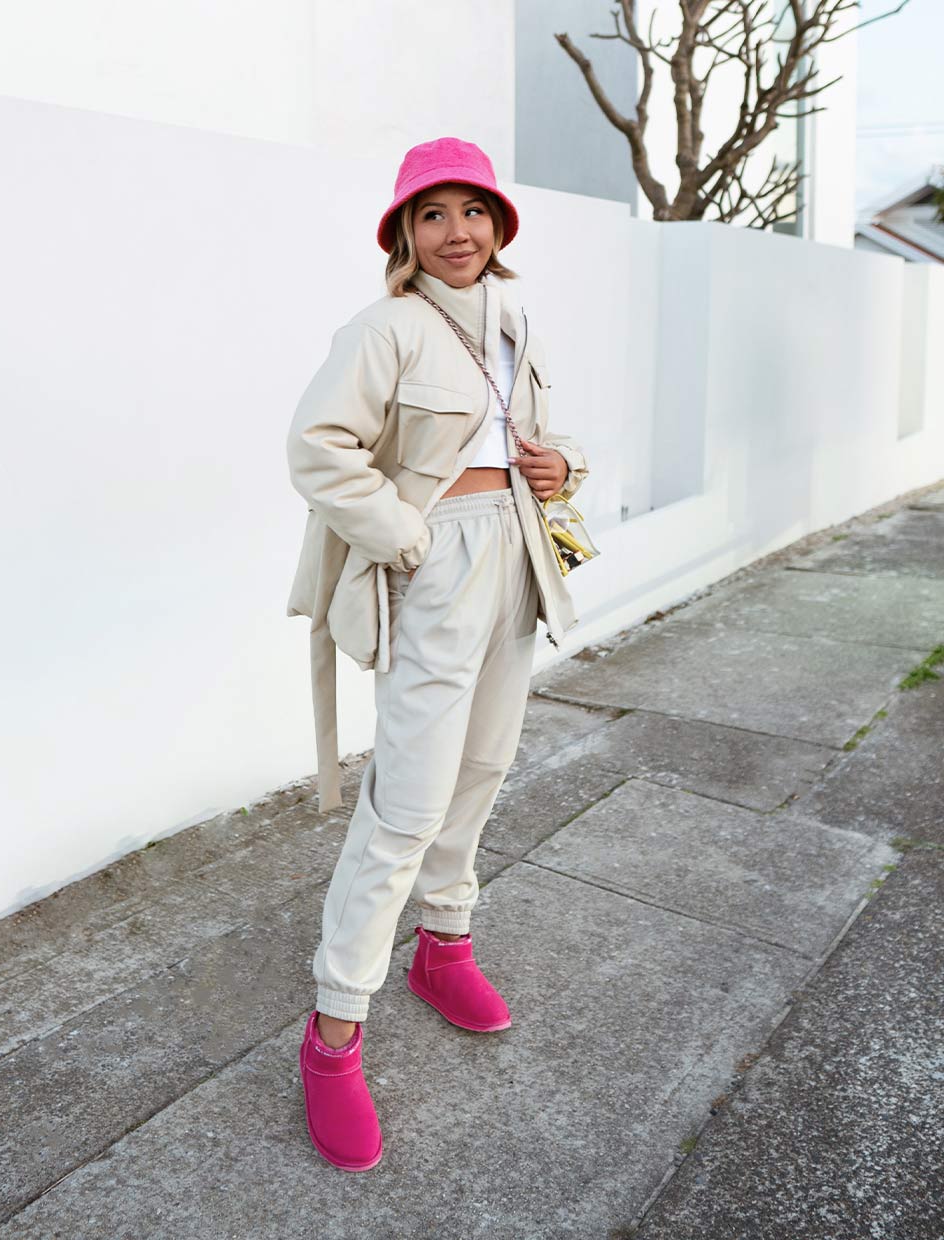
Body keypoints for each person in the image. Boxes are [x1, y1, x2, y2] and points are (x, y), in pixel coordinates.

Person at [285, 136, 590, 1171]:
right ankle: (332, 1036)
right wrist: (409, 538)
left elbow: (530, 434)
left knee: (486, 764)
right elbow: (317, 447)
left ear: (498, 224)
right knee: (406, 802)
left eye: (473, 211)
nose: (456, 231)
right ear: (405, 236)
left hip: (517, 552)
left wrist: (560, 465)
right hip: (438, 563)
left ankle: (444, 947)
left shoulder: (512, 319)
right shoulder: (384, 329)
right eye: (433, 214)